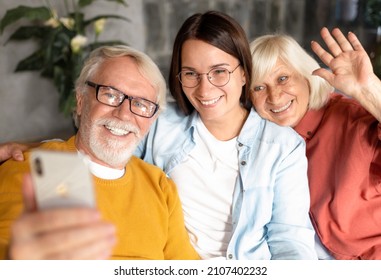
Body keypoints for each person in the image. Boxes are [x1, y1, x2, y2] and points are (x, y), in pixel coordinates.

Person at [0, 11, 317, 260]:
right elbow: (102, 147)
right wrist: (35, 151)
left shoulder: (283, 147)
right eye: (191, 74)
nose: (205, 89)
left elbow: (289, 238)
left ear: (244, 72)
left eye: (219, 72)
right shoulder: (160, 121)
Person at [0, 45, 199, 260]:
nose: (123, 114)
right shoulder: (33, 167)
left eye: (141, 104)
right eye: (110, 95)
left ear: (151, 120)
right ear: (81, 100)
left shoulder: (160, 186)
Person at [249, 27, 381, 259]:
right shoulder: (258, 143)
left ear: (306, 75)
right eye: (259, 87)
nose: (274, 96)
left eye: (283, 78)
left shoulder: (352, 119)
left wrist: (369, 90)